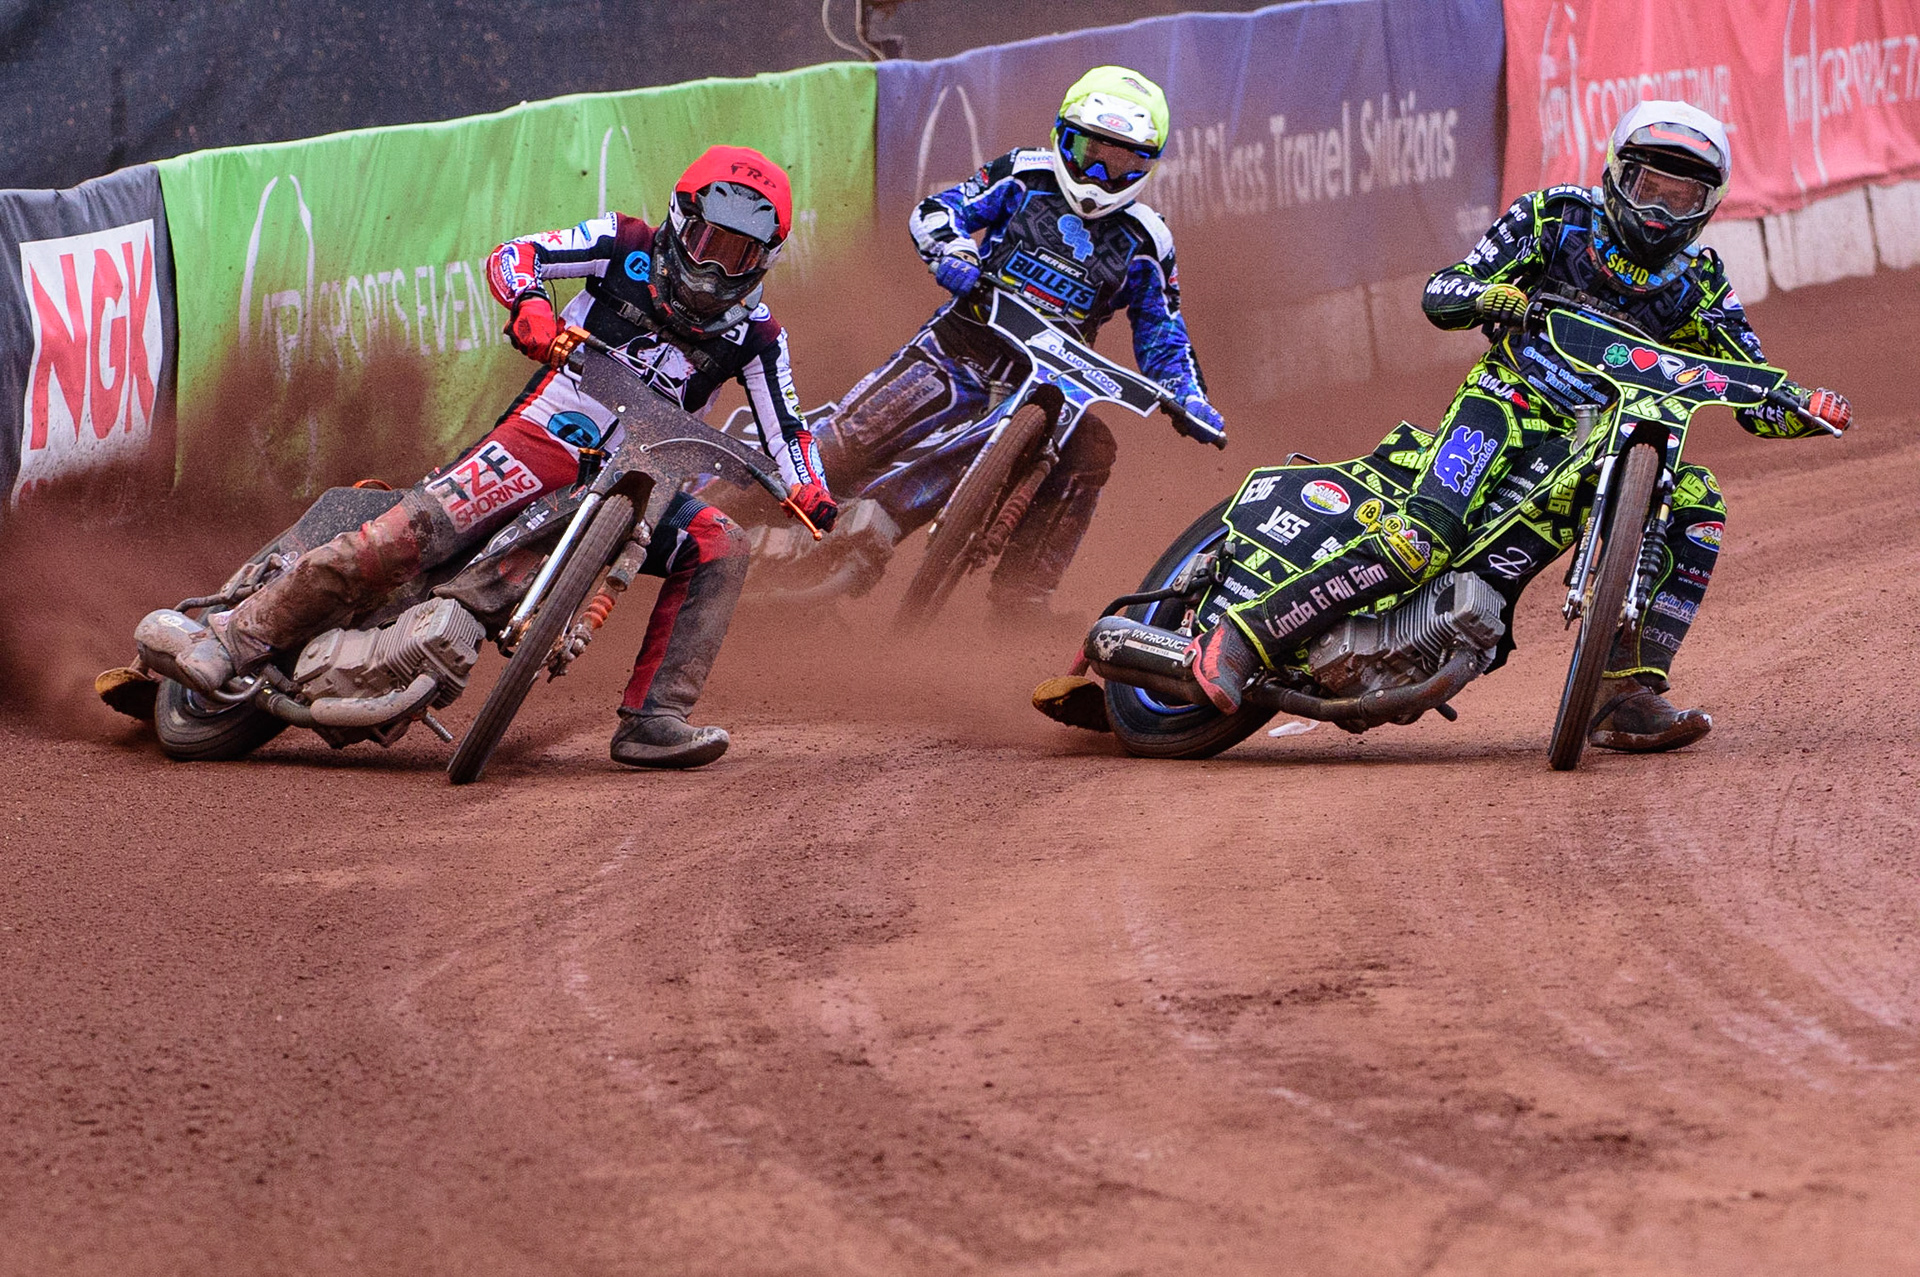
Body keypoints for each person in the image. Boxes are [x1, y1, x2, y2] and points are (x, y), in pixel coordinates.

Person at [1187, 101, 1853, 752]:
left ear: (1706, 207)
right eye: (1650, 188)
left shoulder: (1702, 287)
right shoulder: (1555, 217)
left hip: (1596, 442)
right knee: (1425, 537)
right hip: (1504, 403)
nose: (1658, 212)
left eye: (1681, 198)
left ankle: (1624, 689)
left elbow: (1753, 389)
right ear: (1618, 176)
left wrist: (1805, 407)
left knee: (1701, 502)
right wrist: (1487, 294)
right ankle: (1245, 637)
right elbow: (1443, 289)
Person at [147, 145, 838, 769]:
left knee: (720, 541)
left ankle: (654, 719)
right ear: (679, 223)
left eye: (740, 254)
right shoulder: (622, 242)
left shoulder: (758, 338)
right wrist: (531, 306)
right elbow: (517, 255)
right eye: (709, 241)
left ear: (765, 260)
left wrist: (809, 488)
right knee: (398, 540)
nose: (718, 265)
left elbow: (790, 428)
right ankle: (235, 637)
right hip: (541, 440)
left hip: (646, 476)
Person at [810, 64, 1226, 618]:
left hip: (1050, 389)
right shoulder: (1024, 176)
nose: (1101, 172)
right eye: (1090, 151)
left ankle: (1022, 599)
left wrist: (1187, 395)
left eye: (1122, 160)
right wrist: (953, 251)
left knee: (1091, 446)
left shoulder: (1148, 239)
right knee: (833, 454)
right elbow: (939, 210)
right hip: (959, 348)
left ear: (1146, 166)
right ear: (1062, 137)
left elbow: (1163, 328)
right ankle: (730, 507)